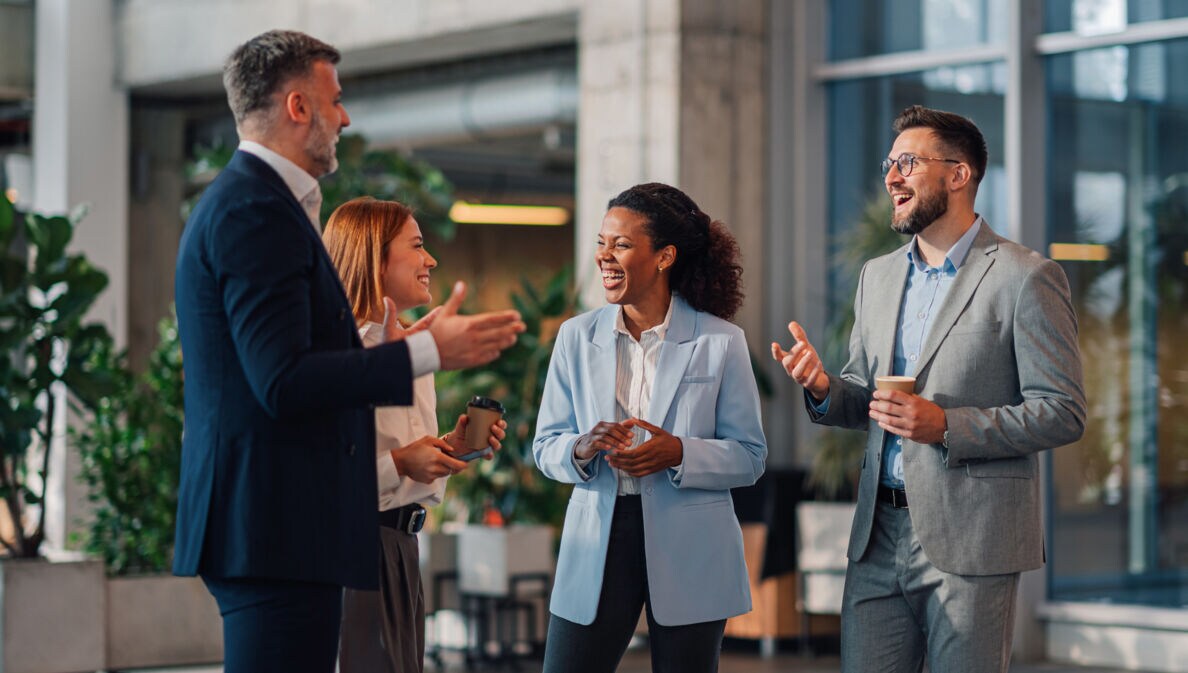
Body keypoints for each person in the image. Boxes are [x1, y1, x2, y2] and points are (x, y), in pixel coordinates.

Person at [172, 30, 524, 673]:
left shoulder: (265, 205)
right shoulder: (255, 210)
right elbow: (282, 380)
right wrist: (426, 353)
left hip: (280, 525)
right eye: (335, 99)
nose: (346, 116)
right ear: (298, 107)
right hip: (269, 527)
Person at [772, 105, 1086, 673]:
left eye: (908, 163)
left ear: (958, 175)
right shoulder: (879, 275)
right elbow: (866, 396)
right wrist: (823, 386)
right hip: (877, 534)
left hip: (974, 538)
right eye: (890, 164)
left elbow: (1062, 411)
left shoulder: (1025, 276)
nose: (891, 177)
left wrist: (946, 425)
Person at [533, 183, 768, 673]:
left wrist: (678, 452)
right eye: (601, 242)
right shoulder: (576, 338)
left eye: (620, 244)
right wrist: (582, 447)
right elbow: (545, 446)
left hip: (692, 543)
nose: (604, 256)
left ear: (664, 257)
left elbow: (750, 455)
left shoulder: (721, 342)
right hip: (599, 536)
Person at [322, 196, 507, 673]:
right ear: (374, 256)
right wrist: (402, 463)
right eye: (418, 246)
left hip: (404, 548)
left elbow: (403, 455)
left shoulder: (410, 346)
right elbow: (322, 476)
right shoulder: (336, 354)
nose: (431, 260)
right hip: (357, 547)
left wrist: (455, 446)